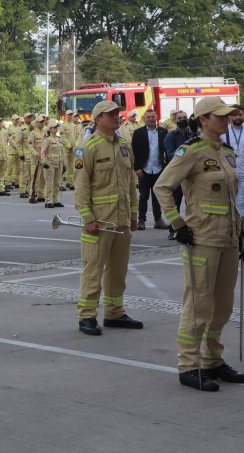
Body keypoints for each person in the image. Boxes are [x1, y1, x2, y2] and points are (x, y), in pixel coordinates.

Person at [153, 97, 244, 391]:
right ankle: (188, 366)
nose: (226, 119)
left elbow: (230, 198)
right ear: (203, 119)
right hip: (202, 238)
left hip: (228, 239)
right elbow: (162, 187)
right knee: (199, 305)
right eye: (219, 116)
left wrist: (241, 233)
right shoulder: (190, 151)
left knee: (223, 306)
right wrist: (177, 224)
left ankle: (213, 360)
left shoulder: (227, 152)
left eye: (228, 115)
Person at [73, 101, 141, 335]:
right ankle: (87, 316)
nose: (116, 117)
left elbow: (131, 182)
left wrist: (134, 215)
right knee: (93, 269)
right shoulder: (87, 147)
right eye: (110, 114)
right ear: (97, 118)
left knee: (117, 270)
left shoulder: (124, 145)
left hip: (121, 220)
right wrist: (88, 218)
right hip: (99, 222)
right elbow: (81, 187)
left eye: (117, 113)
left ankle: (114, 313)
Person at [219, 110, 244, 231]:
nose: (238, 117)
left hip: (243, 171)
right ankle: (227, 229)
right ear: (230, 116)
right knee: (225, 202)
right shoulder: (223, 132)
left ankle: (241, 231)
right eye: (236, 115)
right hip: (226, 171)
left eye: (240, 114)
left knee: (240, 202)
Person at [131, 110, 169, 231]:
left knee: (157, 195)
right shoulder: (138, 133)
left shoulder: (163, 132)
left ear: (157, 118)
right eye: (149, 117)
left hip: (159, 168)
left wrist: (167, 167)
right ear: (144, 119)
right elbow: (134, 152)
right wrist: (137, 168)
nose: (151, 119)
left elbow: (167, 151)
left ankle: (158, 220)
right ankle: (141, 220)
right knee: (143, 196)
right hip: (144, 169)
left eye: (153, 116)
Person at [163, 111, 197, 240]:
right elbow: (170, 154)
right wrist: (185, 154)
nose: (182, 120)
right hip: (177, 175)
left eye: (184, 118)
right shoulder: (170, 136)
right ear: (174, 119)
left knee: (192, 202)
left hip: (192, 175)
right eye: (179, 118)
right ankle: (174, 229)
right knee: (175, 202)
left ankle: (193, 227)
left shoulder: (194, 135)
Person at [42, 122, 66, 208]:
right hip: (50, 164)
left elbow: (63, 153)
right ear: (50, 129)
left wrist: (65, 164)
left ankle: (56, 200)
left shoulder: (58, 139)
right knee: (49, 182)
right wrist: (44, 163)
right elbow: (43, 152)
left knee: (57, 183)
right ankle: (48, 201)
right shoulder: (47, 140)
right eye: (54, 127)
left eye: (57, 127)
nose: (56, 128)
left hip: (59, 163)